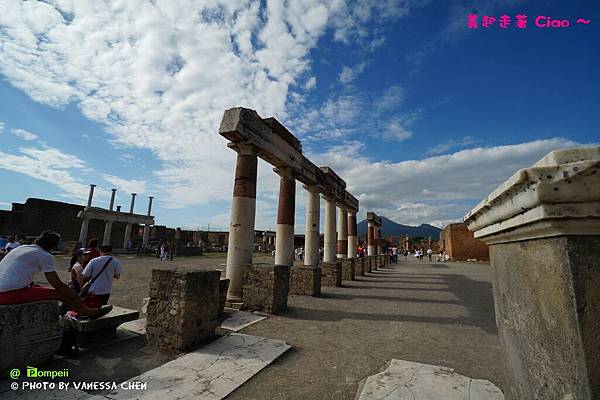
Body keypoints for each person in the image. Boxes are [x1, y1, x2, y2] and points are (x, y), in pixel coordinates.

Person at [0, 230, 101, 316]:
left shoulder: (22, 248)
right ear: (53, 246)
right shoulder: (45, 255)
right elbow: (57, 284)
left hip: (6, 288)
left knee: (49, 291)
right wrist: (75, 296)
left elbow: (16, 272)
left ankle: (77, 310)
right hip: (7, 293)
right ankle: (82, 310)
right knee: (57, 294)